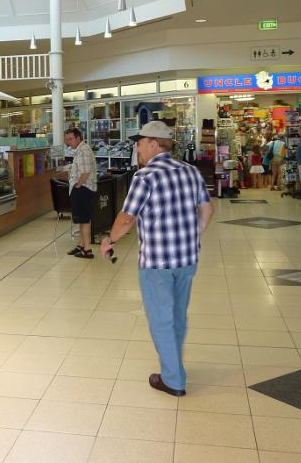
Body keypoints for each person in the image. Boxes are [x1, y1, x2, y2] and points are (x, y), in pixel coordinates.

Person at [100, 121, 214, 397]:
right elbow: (208, 210)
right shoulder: (190, 172)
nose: (137, 149)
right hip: (187, 259)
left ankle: (173, 380)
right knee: (177, 316)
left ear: (153, 144)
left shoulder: (145, 177)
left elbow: (127, 218)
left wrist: (109, 241)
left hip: (157, 263)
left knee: (161, 319)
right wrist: (188, 234)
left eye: (139, 143)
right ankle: (174, 366)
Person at [64, 127, 97, 258]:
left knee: (84, 220)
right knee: (82, 219)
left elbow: (85, 172)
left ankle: (87, 249)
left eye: (71, 139)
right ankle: (81, 245)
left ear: (78, 138)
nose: (68, 142)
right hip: (83, 188)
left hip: (83, 189)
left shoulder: (83, 151)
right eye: (67, 139)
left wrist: (78, 185)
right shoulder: (81, 150)